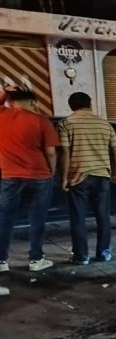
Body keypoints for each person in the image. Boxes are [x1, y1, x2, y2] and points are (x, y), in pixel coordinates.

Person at [58, 92, 116, 264]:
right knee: (103, 216)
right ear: (90, 104)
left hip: (78, 177)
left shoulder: (66, 124)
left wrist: (64, 177)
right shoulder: (104, 124)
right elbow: (115, 151)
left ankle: (82, 256)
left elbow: (64, 152)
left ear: (71, 106)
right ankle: (104, 253)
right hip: (102, 176)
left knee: (78, 217)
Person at [0, 86, 59, 272]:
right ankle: (36, 260)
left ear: (11, 101)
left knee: (5, 219)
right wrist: (51, 172)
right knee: (37, 218)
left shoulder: (2, 115)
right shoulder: (41, 121)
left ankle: (1, 262)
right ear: (33, 102)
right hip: (39, 175)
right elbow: (50, 153)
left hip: (10, 175)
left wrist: (5, 93)